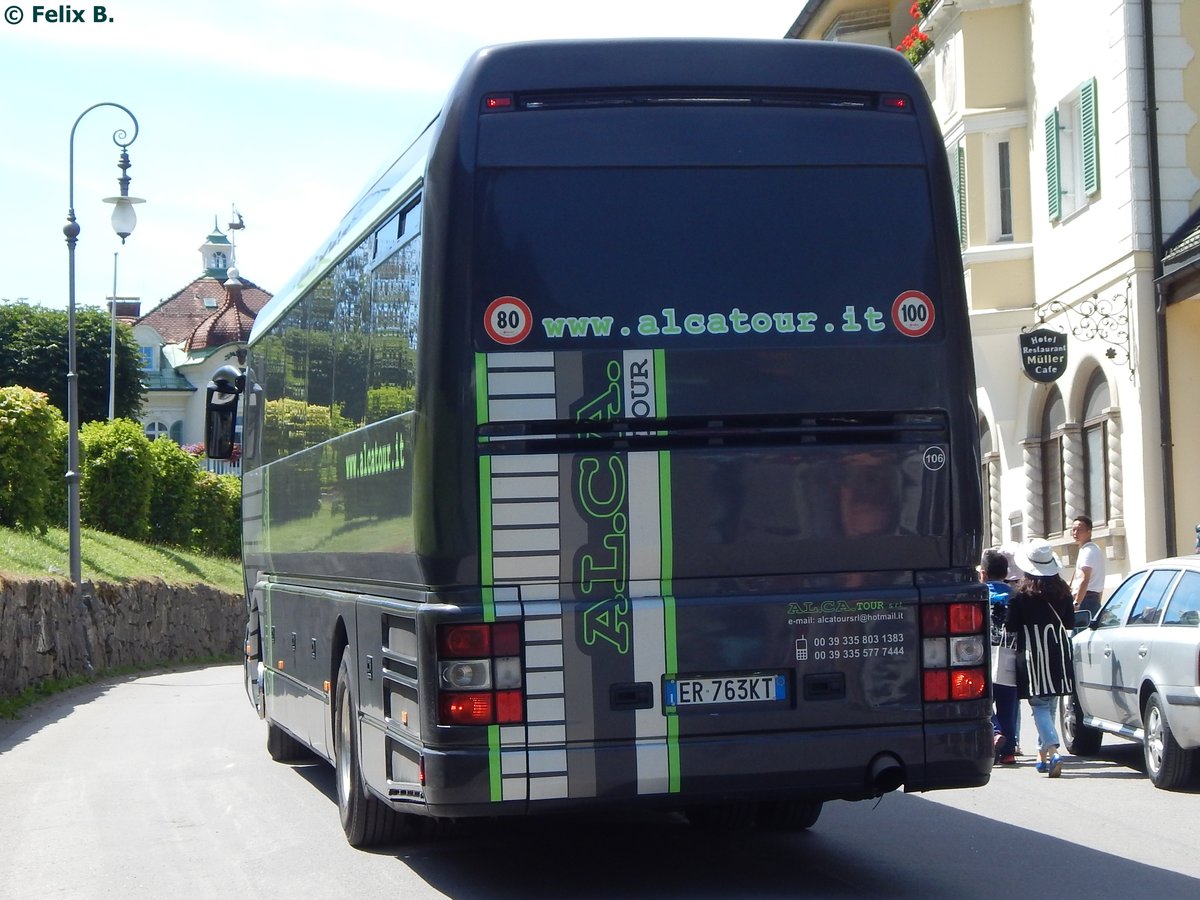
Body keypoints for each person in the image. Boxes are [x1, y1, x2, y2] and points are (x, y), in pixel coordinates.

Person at [1005, 539, 1076, 778]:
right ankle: (1041, 754)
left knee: (1039, 706)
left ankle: (1053, 750)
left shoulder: (1020, 594)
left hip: (1033, 655)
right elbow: (1069, 623)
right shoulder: (1063, 590)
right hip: (1058, 651)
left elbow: (1011, 626)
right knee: (1050, 704)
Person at [983, 549, 1020, 764]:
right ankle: (1008, 752)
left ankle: (995, 732)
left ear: (983, 573)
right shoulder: (1016, 595)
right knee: (1008, 706)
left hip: (983, 656)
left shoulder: (978, 594)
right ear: (1006, 573)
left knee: (983, 702)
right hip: (1010, 655)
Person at [1070, 515, 1105, 616]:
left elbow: (1084, 578)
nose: (1075, 533)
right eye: (1073, 530)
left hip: (1085, 600)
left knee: (1081, 626)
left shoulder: (1088, 551)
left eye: (1079, 530)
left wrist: (1077, 603)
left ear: (1089, 531)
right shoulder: (1091, 549)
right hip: (1091, 599)